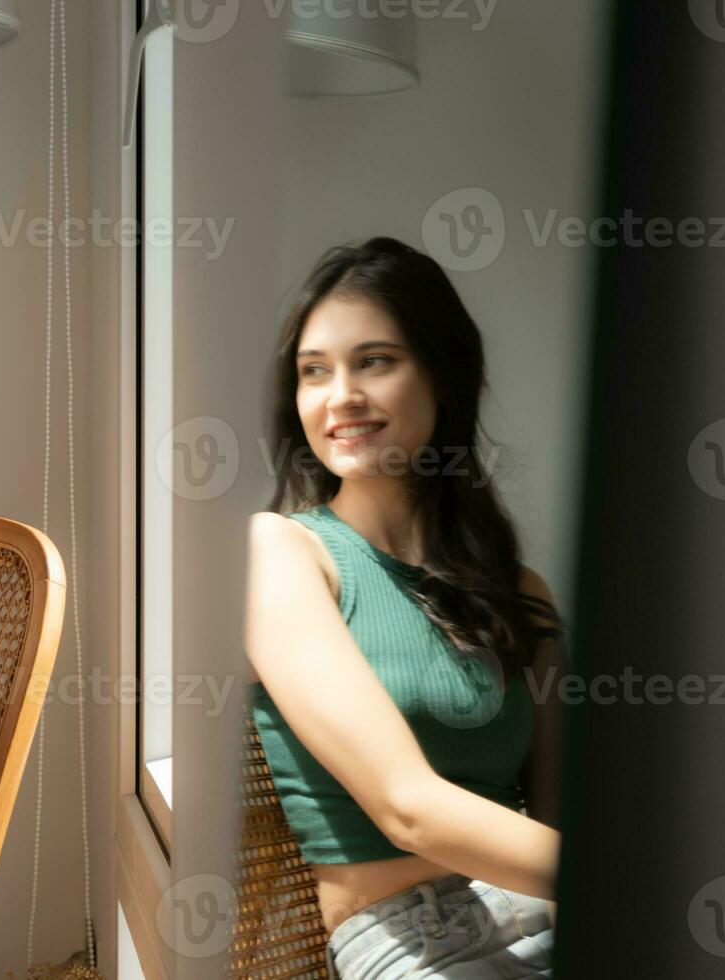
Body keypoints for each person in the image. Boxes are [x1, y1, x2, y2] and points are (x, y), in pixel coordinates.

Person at [244, 236, 569, 977]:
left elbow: (559, 809)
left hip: (540, 912)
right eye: (314, 372)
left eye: (376, 361)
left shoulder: (520, 592)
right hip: (412, 944)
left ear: (444, 376)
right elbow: (406, 805)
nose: (342, 397)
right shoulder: (283, 553)